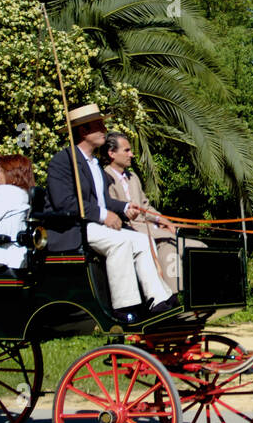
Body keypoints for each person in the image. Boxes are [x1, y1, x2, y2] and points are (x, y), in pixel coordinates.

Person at [45, 104, 176, 317]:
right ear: (84, 131)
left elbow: (103, 201)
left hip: (95, 226)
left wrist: (124, 207)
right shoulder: (63, 161)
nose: (104, 129)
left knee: (142, 240)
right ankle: (124, 306)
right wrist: (104, 216)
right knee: (121, 242)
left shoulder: (94, 164)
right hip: (73, 228)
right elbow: (65, 203)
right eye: (99, 125)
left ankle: (159, 299)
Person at [103, 132, 203, 294]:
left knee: (198, 247)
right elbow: (112, 210)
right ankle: (174, 298)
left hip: (152, 229)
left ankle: (204, 294)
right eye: (127, 150)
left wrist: (163, 219)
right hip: (133, 231)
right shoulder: (105, 178)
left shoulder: (133, 177)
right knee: (167, 247)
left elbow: (146, 206)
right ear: (112, 153)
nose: (132, 154)